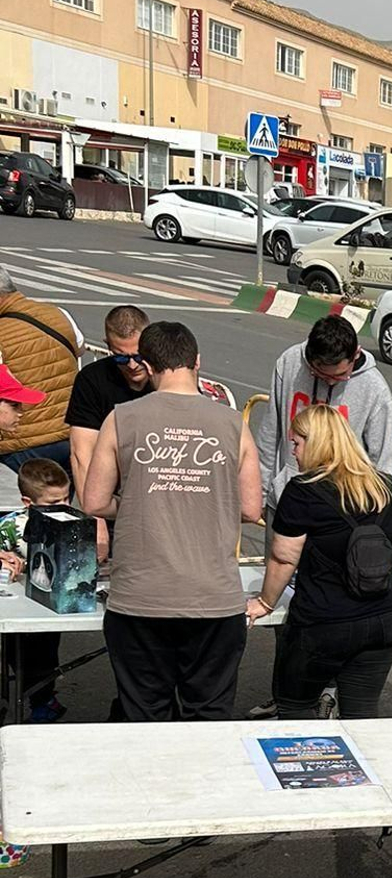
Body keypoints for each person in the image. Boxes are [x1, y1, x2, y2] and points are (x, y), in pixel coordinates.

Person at [82, 320, 262, 721]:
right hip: (214, 600)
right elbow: (251, 509)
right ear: (197, 361)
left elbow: (93, 499)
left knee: (145, 715)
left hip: (139, 599)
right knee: (209, 715)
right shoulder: (234, 424)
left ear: (146, 364)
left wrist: (140, 501)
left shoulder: (121, 418)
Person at [246, 403, 392, 716]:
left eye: (296, 443)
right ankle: (359, 764)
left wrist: (266, 602)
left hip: (324, 622)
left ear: (317, 443)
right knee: (362, 712)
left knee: (297, 708)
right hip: (386, 618)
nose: (293, 452)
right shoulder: (388, 487)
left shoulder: (303, 491)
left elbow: (284, 558)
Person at [257, 314, 392, 504]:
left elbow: (384, 458)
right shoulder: (289, 363)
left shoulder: (374, 388)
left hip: (341, 509)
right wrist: (262, 492)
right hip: (285, 499)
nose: (330, 381)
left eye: (340, 375)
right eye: (320, 373)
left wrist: (382, 511)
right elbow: (270, 433)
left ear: (356, 354)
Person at [0, 455, 73, 721]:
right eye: (54, 502)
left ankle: (44, 700)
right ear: (28, 503)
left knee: (45, 655)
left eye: (67, 498)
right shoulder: (11, 526)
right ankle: (18, 698)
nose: (64, 505)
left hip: (50, 605)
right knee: (14, 653)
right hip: (15, 604)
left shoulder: (73, 523)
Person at [66, 306, 152, 499]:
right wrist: (95, 517)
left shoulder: (169, 376)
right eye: (121, 357)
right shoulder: (91, 380)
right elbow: (82, 454)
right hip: (113, 494)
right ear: (107, 346)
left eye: (139, 356)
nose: (132, 365)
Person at [0, 264, 79, 472]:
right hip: (69, 434)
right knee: (59, 501)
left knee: (29, 501)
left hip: (22, 443)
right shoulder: (59, 314)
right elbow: (78, 348)